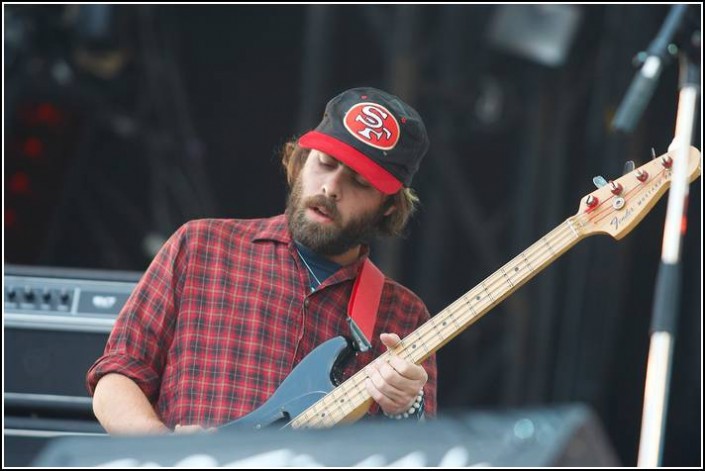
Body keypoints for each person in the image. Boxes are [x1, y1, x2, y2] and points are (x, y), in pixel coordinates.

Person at [86, 87, 437, 434]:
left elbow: (415, 454)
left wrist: (407, 409)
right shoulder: (200, 247)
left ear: (389, 206)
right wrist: (168, 453)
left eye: (359, 182)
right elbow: (116, 378)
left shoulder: (403, 314)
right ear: (301, 160)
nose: (331, 188)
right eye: (325, 164)